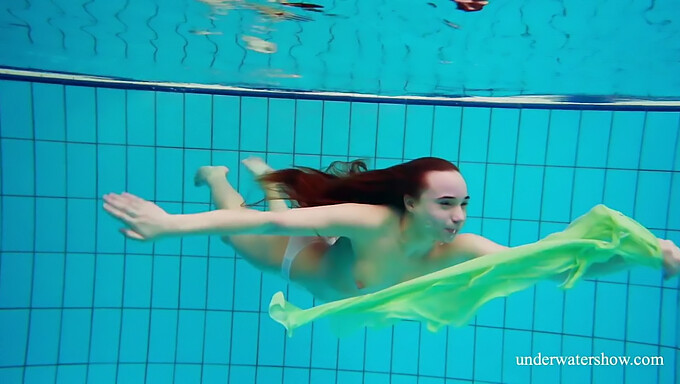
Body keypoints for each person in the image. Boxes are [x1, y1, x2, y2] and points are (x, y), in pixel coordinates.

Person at [102, 157, 680, 302]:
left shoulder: (465, 248)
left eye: (465, 204)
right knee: (241, 230)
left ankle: (270, 174)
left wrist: (642, 258)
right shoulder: (372, 220)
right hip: (295, 258)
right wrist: (169, 224)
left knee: (294, 206)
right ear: (409, 202)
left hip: (328, 250)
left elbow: (550, 264)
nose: (458, 218)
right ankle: (220, 175)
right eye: (446, 204)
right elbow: (271, 221)